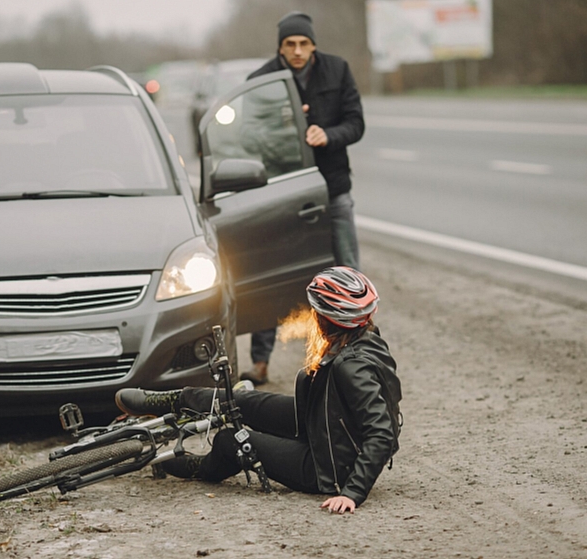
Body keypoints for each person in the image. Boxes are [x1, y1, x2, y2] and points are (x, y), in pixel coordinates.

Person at [116, 267, 401, 513]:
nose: (313, 315)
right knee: (242, 400)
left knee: (232, 439)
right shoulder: (361, 339)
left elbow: (382, 432)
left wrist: (351, 493)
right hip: (321, 426)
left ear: (330, 318)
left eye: (317, 311)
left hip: (327, 467)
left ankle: (200, 468)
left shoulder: (352, 367)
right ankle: (171, 400)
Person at [241, 12, 366, 385]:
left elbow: (356, 123)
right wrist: (286, 129)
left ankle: (356, 351)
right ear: (279, 47)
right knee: (269, 274)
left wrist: (327, 135)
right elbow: (249, 137)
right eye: (289, 44)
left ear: (313, 45)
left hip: (332, 188)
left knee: (347, 271)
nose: (297, 51)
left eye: (304, 44)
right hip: (280, 192)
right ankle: (260, 362)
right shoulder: (259, 81)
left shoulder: (337, 70)